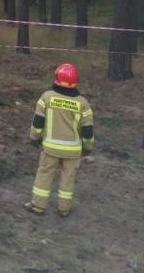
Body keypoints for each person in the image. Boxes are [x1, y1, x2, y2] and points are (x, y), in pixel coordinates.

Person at [24, 63, 94, 218]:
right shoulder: (83, 103)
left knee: (44, 174)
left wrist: (34, 138)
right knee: (67, 180)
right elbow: (88, 130)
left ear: (56, 78)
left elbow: (38, 121)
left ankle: (38, 206)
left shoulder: (47, 97)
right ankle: (63, 209)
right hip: (73, 152)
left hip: (50, 149)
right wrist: (88, 147)